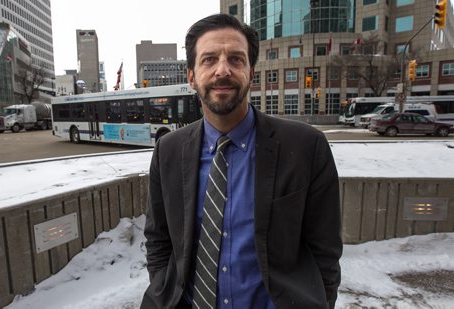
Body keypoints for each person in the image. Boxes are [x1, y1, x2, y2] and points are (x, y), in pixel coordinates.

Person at [142, 13, 342, 309]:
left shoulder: (306, 147)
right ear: (191, 76)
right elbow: (159, 240)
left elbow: (325, 251)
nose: (223, 70)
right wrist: (162, 288)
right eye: (209, 59)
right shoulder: (168, 150)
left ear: (251, 72)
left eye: (236, 59)